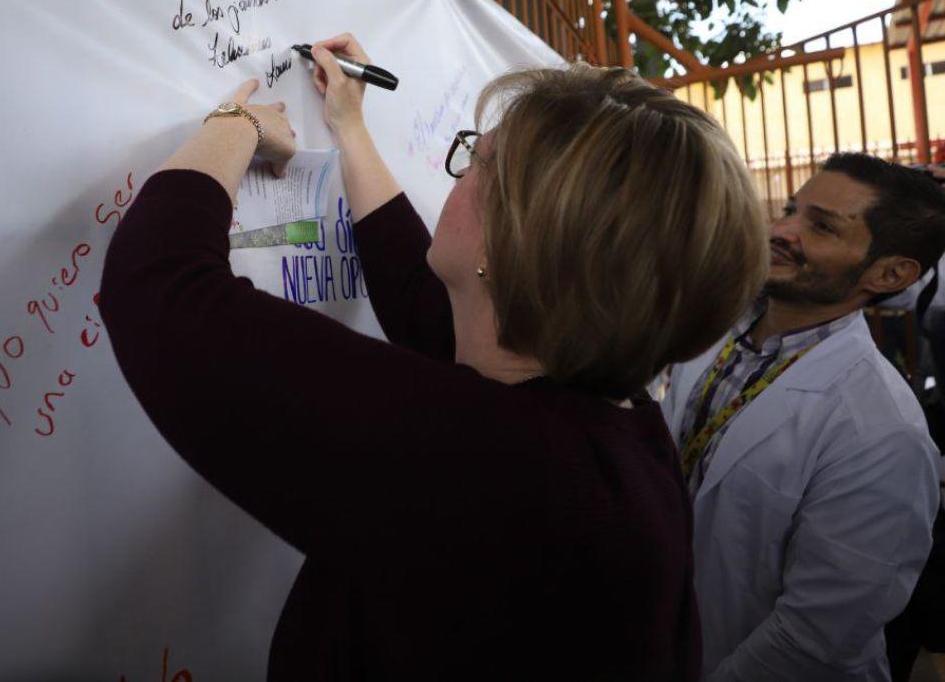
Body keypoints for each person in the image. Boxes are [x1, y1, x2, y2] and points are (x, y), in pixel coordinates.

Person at [99, 35, 770, 680]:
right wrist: (349, 127)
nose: (462, 171)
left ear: (510, 242)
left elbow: (158, 289)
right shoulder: (613, 428)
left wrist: (237, 122)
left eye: (480, 159)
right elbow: (424, 306)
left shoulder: (498, 467)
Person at [660, 152, 945, 681]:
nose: (780, 230)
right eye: (792, 210)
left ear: (889, 273)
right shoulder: (714, 333)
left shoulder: (884, 431)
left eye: (821, 226)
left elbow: (815, 636)